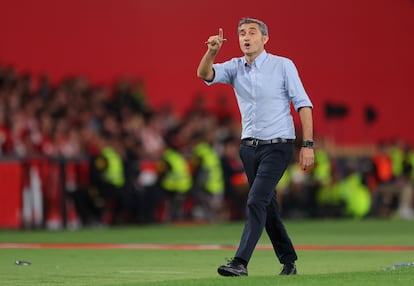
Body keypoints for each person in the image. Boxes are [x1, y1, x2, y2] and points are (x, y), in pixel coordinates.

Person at [197, 18, 314, 277]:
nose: (245, 37)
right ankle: (289, 260)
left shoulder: (282, 65)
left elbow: (303, 104)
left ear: (265, 39)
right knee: (266, 205)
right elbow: (204, 74)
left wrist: (307, 145)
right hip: (249, 148)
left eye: (252, 32)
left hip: (278, 146)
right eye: (241, 33)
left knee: (256, 200)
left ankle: (240, 262)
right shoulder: (235, 67)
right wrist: (212, 52)